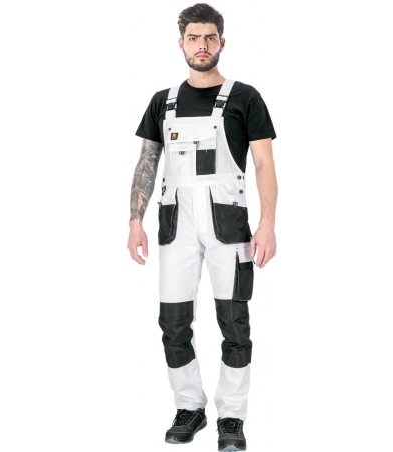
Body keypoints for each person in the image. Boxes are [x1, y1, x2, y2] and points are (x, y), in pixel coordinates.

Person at [128, 3, 277, 451]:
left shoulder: (245, 97)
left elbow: (264, 164)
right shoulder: (163, 101)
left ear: (221, 42)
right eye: (193, 38)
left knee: (234, 323)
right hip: (175, 226)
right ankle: (189, 407)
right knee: (173, 323)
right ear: (181, 43)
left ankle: (231, 416)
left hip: (228, 227)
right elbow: (147, 163)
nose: (202, 45)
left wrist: (267, 224)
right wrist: (135, 220)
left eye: (210, 37)